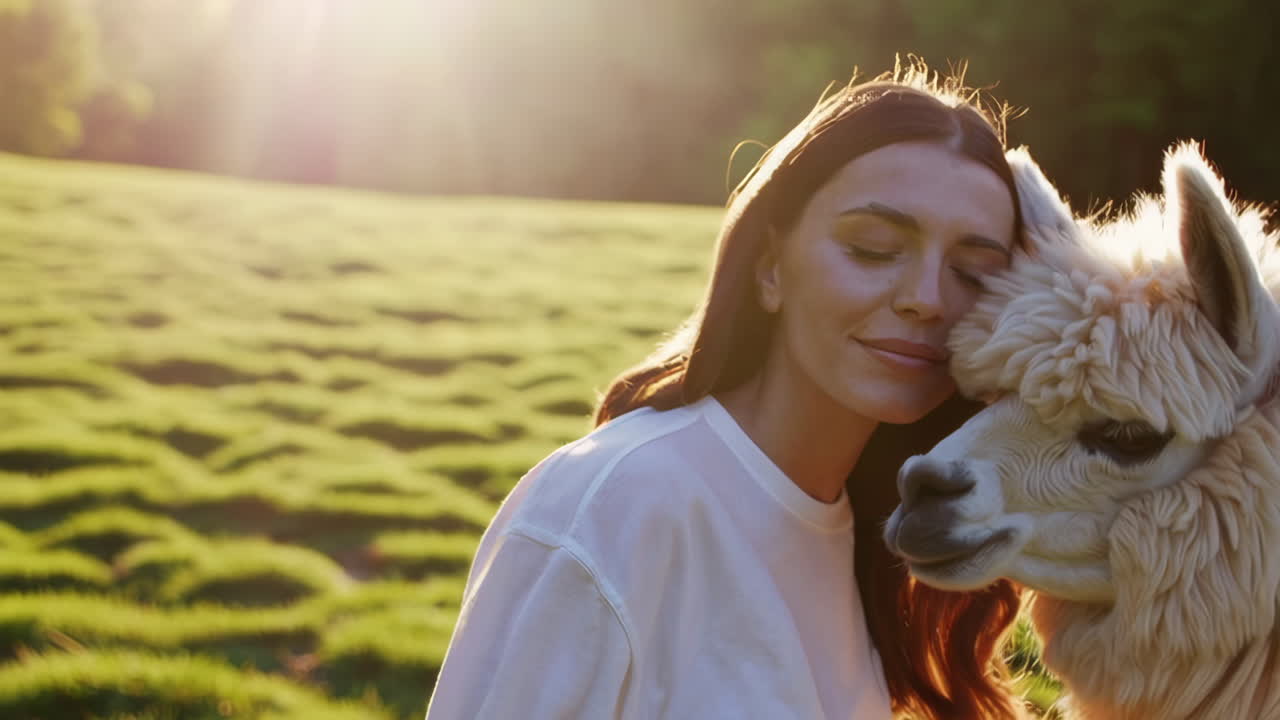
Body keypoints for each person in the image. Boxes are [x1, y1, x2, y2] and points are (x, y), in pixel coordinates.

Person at [425, 60, 1027, 720]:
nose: (926, 299)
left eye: (973, 274)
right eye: (874, 247)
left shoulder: (876, 534)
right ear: (770, 266)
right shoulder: (613, 506)